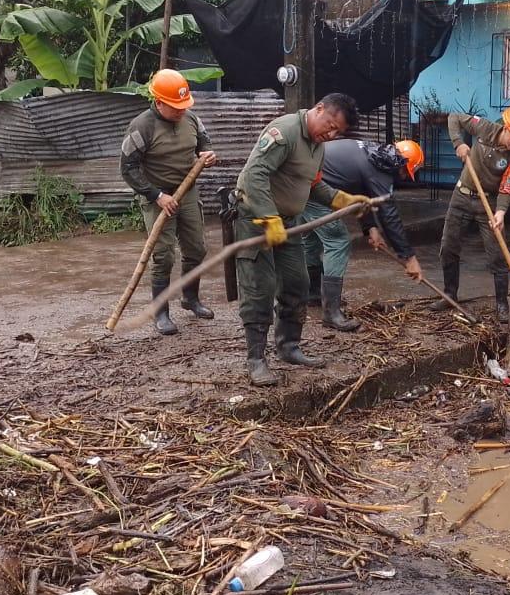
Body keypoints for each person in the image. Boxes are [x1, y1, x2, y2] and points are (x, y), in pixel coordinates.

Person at [233, 92, 371, 386]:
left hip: (288, 223)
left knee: (297, 282)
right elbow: (254, 175)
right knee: (260, 286)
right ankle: (256, 359)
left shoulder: (317, 146)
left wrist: (342, 199)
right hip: (255, 219)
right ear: (319, 109)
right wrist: (269, 218)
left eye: (338, 132)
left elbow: (314, 183)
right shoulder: (284, 132)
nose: (331, 133)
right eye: (330, 125)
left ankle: (289, 346)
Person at [119, 69, 218, 336]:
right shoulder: (142, 126)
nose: (181, 111)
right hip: (158, 196)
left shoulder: (192, 119)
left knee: (197, 249)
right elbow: (128, 168)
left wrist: (206, 153)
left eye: (184, 106)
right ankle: (160, 312)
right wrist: (156, 195)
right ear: (158, 102)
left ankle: (191, 298)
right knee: (163, 256)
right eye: (175, 107)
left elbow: (203, 140)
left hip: (187, 192)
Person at [301, 139, 425, 331]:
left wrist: (371, 229)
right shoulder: (381, 171)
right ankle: (331, 314)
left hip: (302, 180)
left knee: (312, 239)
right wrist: (409, 257)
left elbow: (359, 191)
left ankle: (312, 295)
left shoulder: (374, 154)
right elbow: (389, 214)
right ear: (402, 164)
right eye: (407, 172)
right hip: (314, 186)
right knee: (338, 241)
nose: (405, 177)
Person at [430, 103, 510, 323]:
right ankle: (450, 295)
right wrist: (458, 143)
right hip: (461, 195)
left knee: (498, 253)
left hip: (488, 203)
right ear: (506, 127)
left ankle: (501, 305)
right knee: (449, 246)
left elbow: (508, 185)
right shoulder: (484, 128)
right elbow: (454, 117)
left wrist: (500, 212)